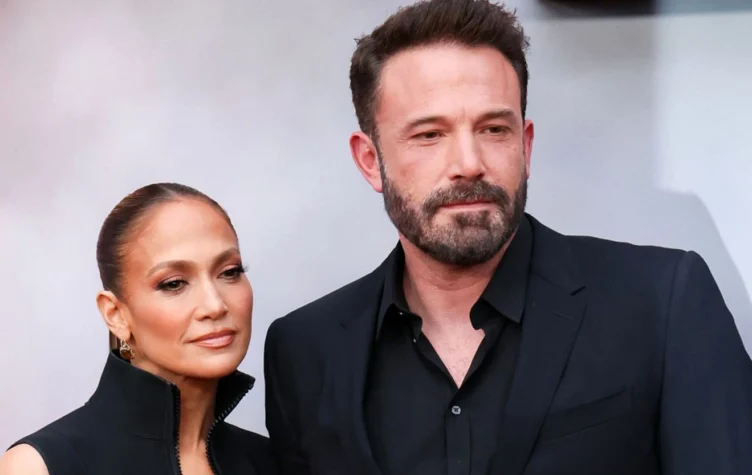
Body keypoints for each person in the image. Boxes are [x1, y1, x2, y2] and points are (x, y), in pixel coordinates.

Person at [263, 0, 752, 474]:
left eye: (494, 129)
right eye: (429, 134)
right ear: (370, 161)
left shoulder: (662, 303)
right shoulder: (305, 352)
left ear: (525, 145)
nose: (469, 163)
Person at [0, 183, 277, 475]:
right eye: (173, 283)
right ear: (115, 314)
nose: (215, 305)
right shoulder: (40, 466)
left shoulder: (273, 460)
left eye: (230, 272)